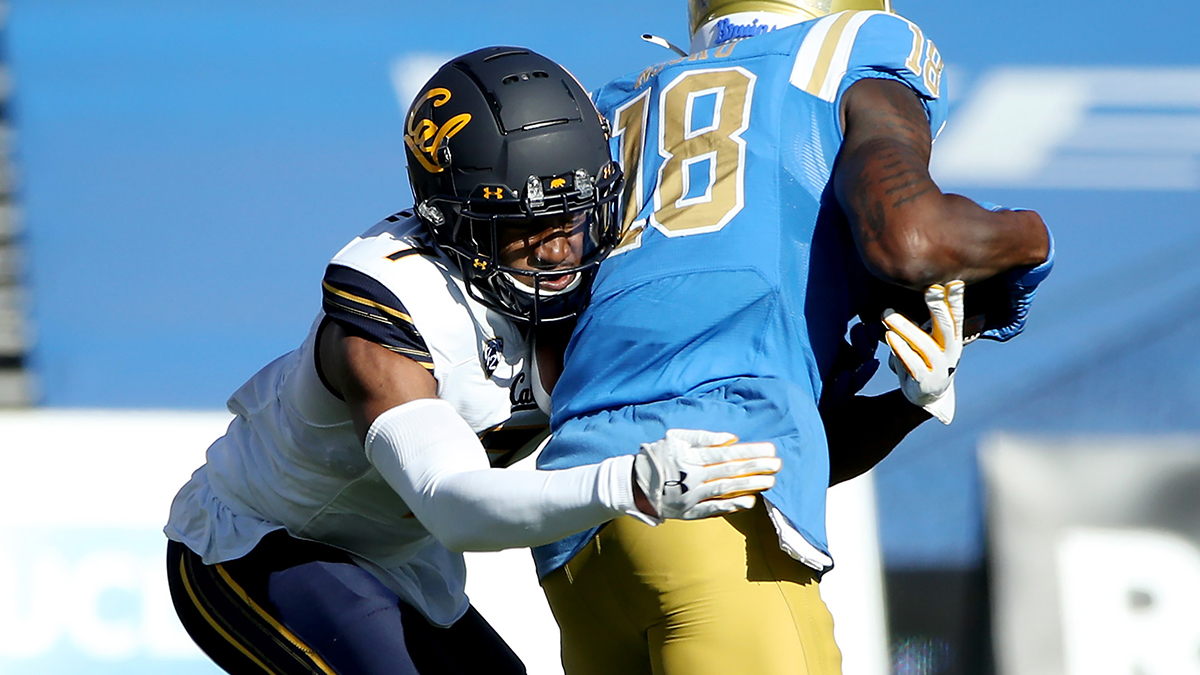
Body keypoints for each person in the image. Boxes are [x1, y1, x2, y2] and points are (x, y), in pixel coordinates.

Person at [162, 46, 783, 675]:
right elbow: (452, 503)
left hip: (403, 560)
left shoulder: (601, 274)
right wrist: (627, 485)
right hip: (258, 544)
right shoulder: (391, 315)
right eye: (524, 225)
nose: (558, 251)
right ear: (452, 221)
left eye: (573, 214)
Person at [532, 1, 1055, 674]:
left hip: (578, 531)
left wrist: (913, 402)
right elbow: (912, 240)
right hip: (712, 515)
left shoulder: (623, 107)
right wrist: (1030, 239)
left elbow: (780, 443)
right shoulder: (840, 57)